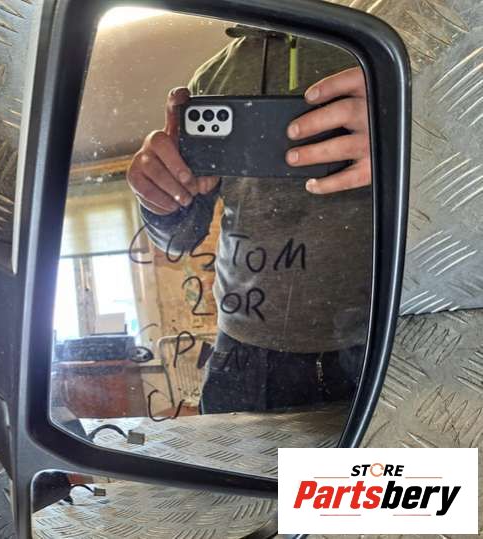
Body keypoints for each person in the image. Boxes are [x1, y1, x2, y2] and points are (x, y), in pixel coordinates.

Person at [126, 28, 373, 413]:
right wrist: (160, 200)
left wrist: (411, 141)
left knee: (380, 458)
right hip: (239, 355)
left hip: (375, 344)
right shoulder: (210, 79)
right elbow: (181, 238)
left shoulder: (388, 39)